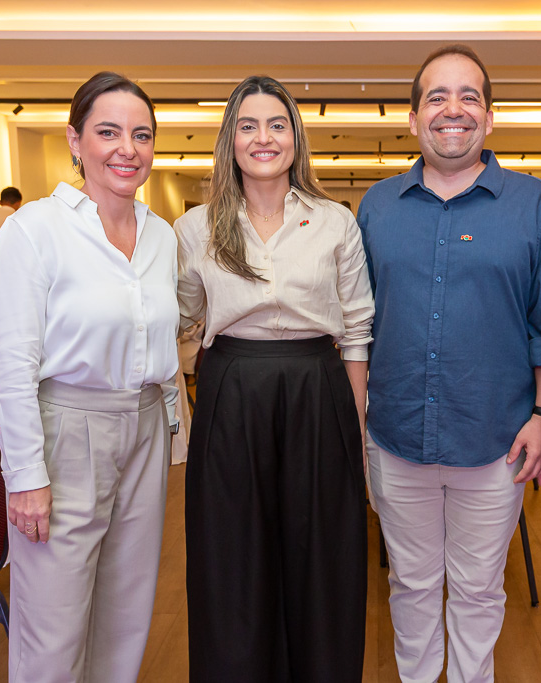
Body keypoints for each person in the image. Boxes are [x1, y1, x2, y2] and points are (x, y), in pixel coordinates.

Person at [358, 45, 541, 682]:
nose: (454, 109)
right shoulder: (377, 206)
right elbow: (358, 325)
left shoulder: (533, 204)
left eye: (469, 96)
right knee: (411, 585)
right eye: (437, 97)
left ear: (490, 116)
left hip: (497, 440)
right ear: (413, 119)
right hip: (394, 436)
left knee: (478, 592)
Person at [175, 75, 373, 682]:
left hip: (319, 390)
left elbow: (357, 329)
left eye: (277, 124)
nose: (264, 138)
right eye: (248, 126)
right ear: (230, 140)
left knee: (322, 554)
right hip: (231, 389)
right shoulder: (197, 227)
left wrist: (354, 430)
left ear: (296, 137)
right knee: (232, 555)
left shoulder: (335, 221)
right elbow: (178, 317)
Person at [0, 72, 179, 683]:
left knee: (127, 614)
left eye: (141, 135)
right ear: (76, 141)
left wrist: (174, 430)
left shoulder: (161, 236)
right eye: (108, 132)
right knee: (54, 624)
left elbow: (162, 342)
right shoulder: (35, 229)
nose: (128, 148)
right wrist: (24, 476)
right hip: (67, 432)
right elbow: (12, 366)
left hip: (145, 429)